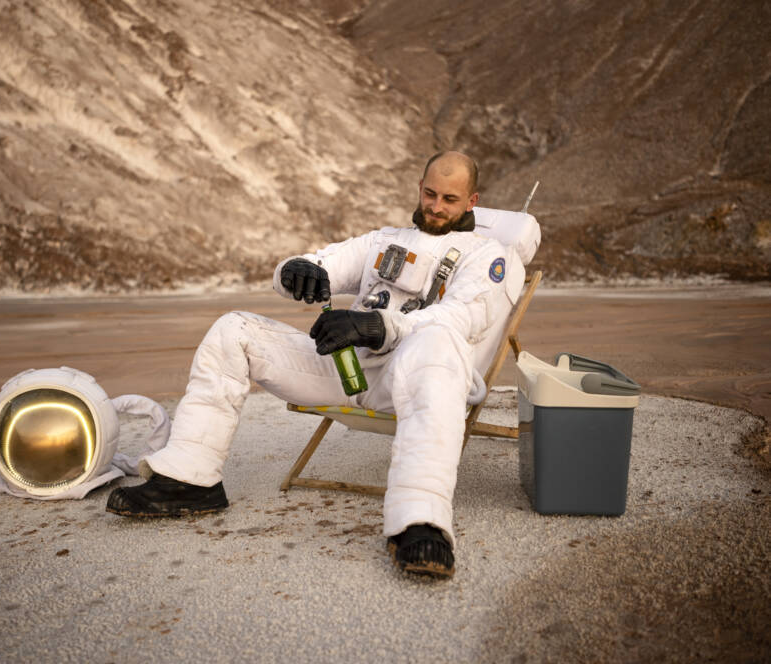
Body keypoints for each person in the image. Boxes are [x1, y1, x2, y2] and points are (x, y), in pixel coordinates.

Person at [107, 151, 526, 579]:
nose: (436, 207)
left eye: (450, 200)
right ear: (419, 187)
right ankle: (189, 480)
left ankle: (420, 524)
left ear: (472, 201)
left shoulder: (490, 258)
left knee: (437, 339)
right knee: (233, 329)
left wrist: (375, 325)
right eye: (430, 193)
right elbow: (324, 261)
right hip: (347, 367)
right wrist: (296, 271)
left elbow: (460, 318)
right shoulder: (383, 241)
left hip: (415, 377)